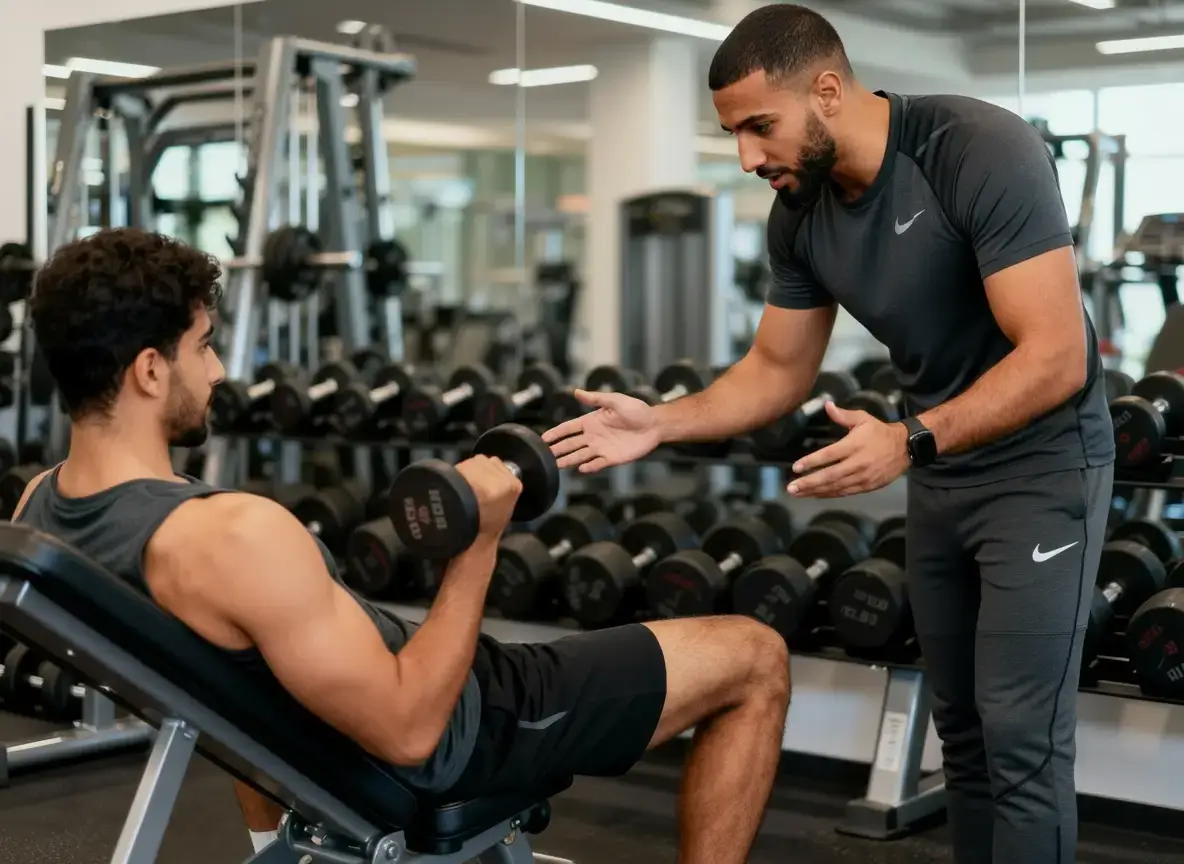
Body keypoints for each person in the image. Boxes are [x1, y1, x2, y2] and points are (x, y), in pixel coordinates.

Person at [14, 228, 790, 864]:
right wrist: (480, 541)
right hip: (474, 719)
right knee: (755, 656)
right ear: (150, 369)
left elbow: (232, 695)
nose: (218, 371)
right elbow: (414, 734)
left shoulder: (42, 507)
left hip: (327, 727)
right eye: (204, 346)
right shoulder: (231, 536)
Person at [543, 5, 1113, 864]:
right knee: (959, 733)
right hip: (943, 478)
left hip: (1041, 472)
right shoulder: (800, 214)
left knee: (1023, 741)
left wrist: (908, 441)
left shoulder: (973, 149)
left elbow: (1058, 357)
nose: (746, 156)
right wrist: (660, 422)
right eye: (733, 133)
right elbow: (776, 369)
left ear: (828, 90)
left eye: (759, 127)